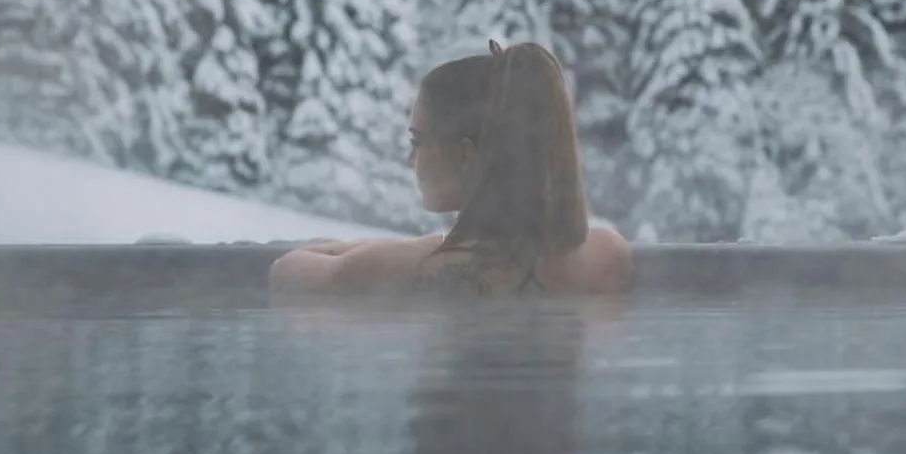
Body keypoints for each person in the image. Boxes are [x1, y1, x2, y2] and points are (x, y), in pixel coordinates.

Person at [268, 41, 633, 296]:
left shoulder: (415, 270)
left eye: (417, 142)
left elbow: (284, 272)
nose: (410, 160)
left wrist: (424, 246)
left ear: (465, 157)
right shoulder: (606, 256)